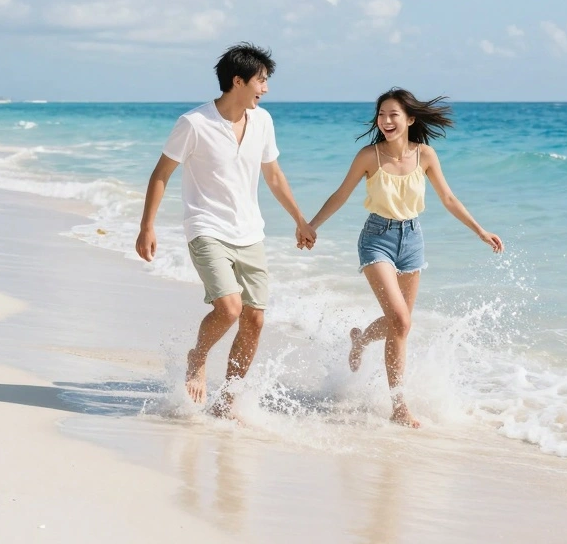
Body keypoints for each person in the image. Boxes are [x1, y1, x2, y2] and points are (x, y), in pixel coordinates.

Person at [301, 88, 503, 428]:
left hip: (412, 240)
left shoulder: (425, 155)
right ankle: (399, 406)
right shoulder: (369, 156)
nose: (386, 120)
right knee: (401, 321)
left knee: (400, 323)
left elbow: (449, 198)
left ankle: (361, 339)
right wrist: (311, 225)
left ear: (409, 119)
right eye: (381, 114)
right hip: (376, 239)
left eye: (393, 114)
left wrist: (480, 231)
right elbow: (341, 194)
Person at [136, 43, 316, 419]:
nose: (265, 89)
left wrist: (301, 219)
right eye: (261, 81)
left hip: (250, 232)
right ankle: (197, 357)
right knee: (230, 308)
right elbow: (161, 174)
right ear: (238, 81)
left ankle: (228, 399)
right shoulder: (194, 123)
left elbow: (274, 175)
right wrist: (146, 226)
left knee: (255, 319)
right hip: (206, 228)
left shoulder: (263, 122)